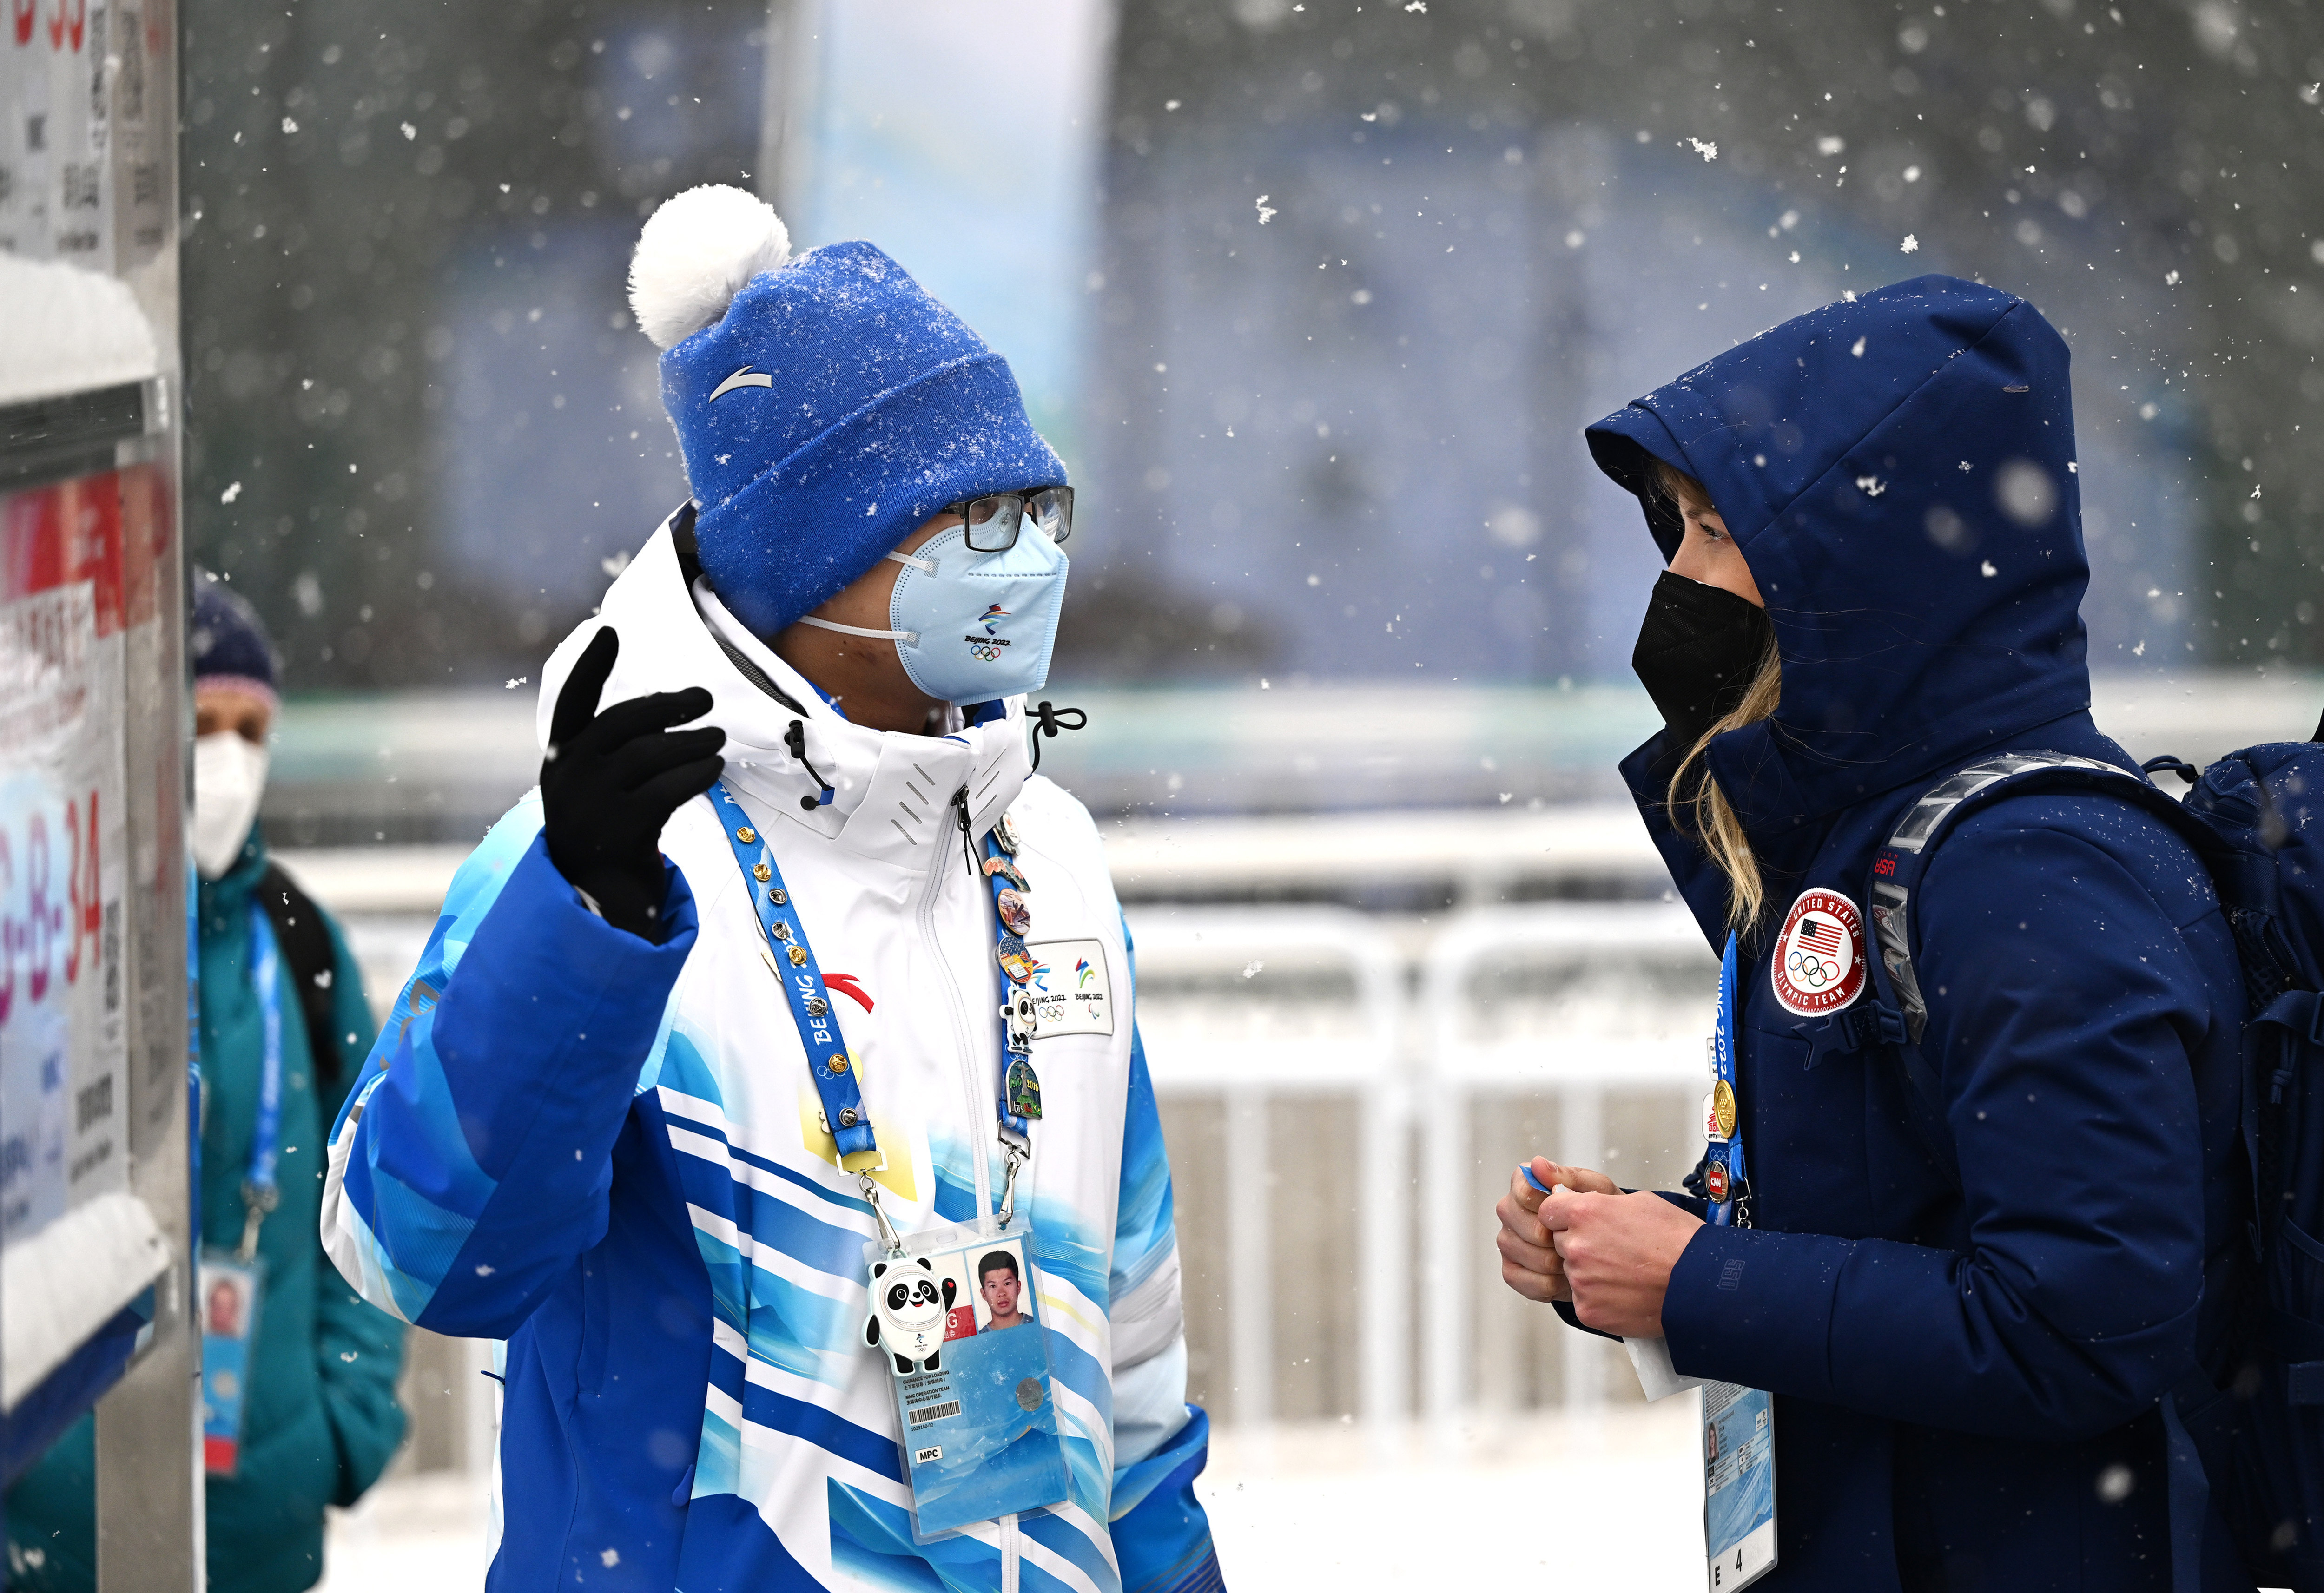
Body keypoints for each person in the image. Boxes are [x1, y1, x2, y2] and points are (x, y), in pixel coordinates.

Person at [319, 185, 1220, 1592]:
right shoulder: (596, 862)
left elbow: (1135, 1350)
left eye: (1029, 505)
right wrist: (583, 932)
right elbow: (417, 1255)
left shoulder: (1050, 851)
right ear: (808, 554)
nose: (1024, 557)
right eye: (963, 514)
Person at [1494, 276, 2252, 1589]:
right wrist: (1654, 1240)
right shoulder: (1869, 835)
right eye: (1674, 529)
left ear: (1859, 563)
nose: (1678, 580)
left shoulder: (2036, 863)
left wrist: (1703, 1282)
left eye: (1717, 533)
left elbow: (2078, 1322)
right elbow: (1906, 1214)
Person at [7, 573, 409, 1593]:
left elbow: (375, 1197)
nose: (227, 760)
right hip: (54, 1531)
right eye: (200, 723)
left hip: (261, 1522)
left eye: (250, 727)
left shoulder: (296, 937)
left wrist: (342, 1427)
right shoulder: (39, 941)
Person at [978, 1252, 1031, 1333]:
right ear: (984, 1294)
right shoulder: (979, 1340)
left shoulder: (1037, 1325)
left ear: (1018, 1287)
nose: (1001, 1293)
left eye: (1007, 1284)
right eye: (993, 1286)